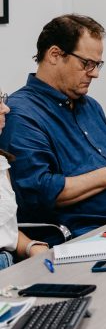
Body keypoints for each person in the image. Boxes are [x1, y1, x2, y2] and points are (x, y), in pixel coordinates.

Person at [0, 14, 106, 239]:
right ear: (55, 55)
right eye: (87, 64)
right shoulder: (21, 114)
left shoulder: (90, 106)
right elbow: (40, 192)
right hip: (88, 235)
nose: (95, 74)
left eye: (98, 65)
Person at [0, 90, 51, 269]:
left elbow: (5, 230)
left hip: (8, 264)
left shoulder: (1, 162)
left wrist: (31, 247)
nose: (6, 109)